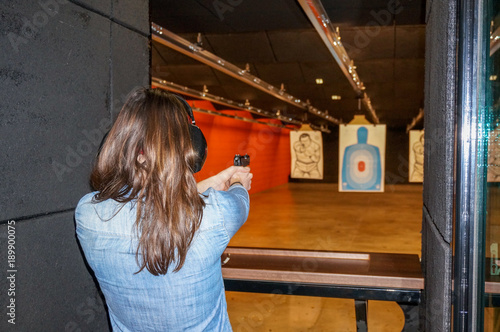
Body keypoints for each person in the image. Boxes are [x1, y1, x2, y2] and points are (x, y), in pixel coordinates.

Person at [75, 87, 252, 331]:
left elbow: (150, 206)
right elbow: (240, 200)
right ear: (188, 148)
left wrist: (206, 186)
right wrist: (236, 181)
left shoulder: (87, 213)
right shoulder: (217, 214)